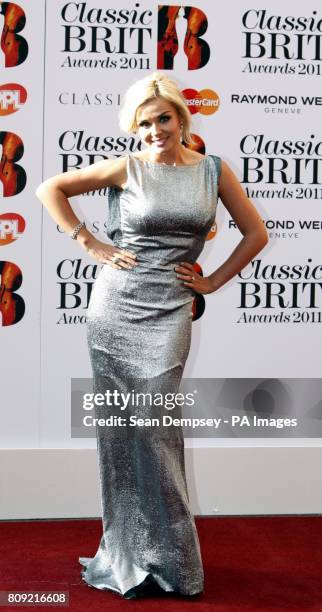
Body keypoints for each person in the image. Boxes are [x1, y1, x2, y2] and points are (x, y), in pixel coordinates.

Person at [35, 71, 268, 600]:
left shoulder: (212, 171)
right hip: (114, 308)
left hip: (169, 312)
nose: (156, 129)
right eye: (144, 122)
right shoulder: (128, 168)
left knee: (158, 430)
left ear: (182, 118)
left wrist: (211, 280)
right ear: (135, 127)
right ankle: (128, 554)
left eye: (164, 118)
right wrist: (89, 242)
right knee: (121, 435)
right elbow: (51, 188)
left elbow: (256, 234)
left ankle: (175, 565)